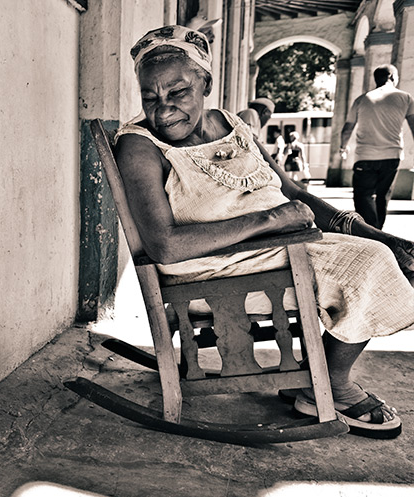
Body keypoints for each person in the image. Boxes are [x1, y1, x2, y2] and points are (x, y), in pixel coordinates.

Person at [116, 25, 414, 438]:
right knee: (371, 265)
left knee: (393, 256)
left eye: (177, 93)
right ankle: (332, 385)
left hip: (279, 251)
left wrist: (378, 234)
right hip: (218, 272)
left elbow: (291, 192)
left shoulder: (231, 124)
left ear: (205, 82)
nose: (163, 111)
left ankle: (317, 377)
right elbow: (165, 246)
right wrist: (272, 220)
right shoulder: (140, 146)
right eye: (150, 97)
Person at [340, 64, 414, 229]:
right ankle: (377, 230)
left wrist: (343, 147)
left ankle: (370, 230)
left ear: (376, 79)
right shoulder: (406, 98)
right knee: (383, 195)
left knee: (363, 196)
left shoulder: (362, 99)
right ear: (392, 77)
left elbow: (347, 130)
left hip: (365, 156)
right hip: (392, 156)